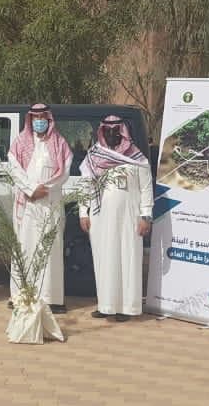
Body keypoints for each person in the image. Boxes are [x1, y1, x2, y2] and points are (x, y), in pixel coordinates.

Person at [80, 114, 152, 322]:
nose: (112, 134)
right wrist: (83, 212)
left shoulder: (137, 158)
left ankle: (126, 308)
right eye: (108, 131)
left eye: (115, 130)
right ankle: (106, 305)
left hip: (129, 217)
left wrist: (146, 216)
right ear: (102, 132)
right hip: (100, 217)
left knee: (127, 258)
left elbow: (146, 188)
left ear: (123, 132)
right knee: (104, 259)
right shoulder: (93, 157)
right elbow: (86, 186)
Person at [7, 103, 73, 314]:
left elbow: (64, 171)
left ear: (49, 119)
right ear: (30, 119)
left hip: (49, 203)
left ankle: (51, 299)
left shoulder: (59, 143)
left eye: (43, 117)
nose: (39, 121)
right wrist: (30, 189)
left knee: (50, 249)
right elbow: (14, 168)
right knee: (24, 247)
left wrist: (45, 188)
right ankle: (20, 296)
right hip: (28, 203)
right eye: (35, 117)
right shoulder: (20, 142)